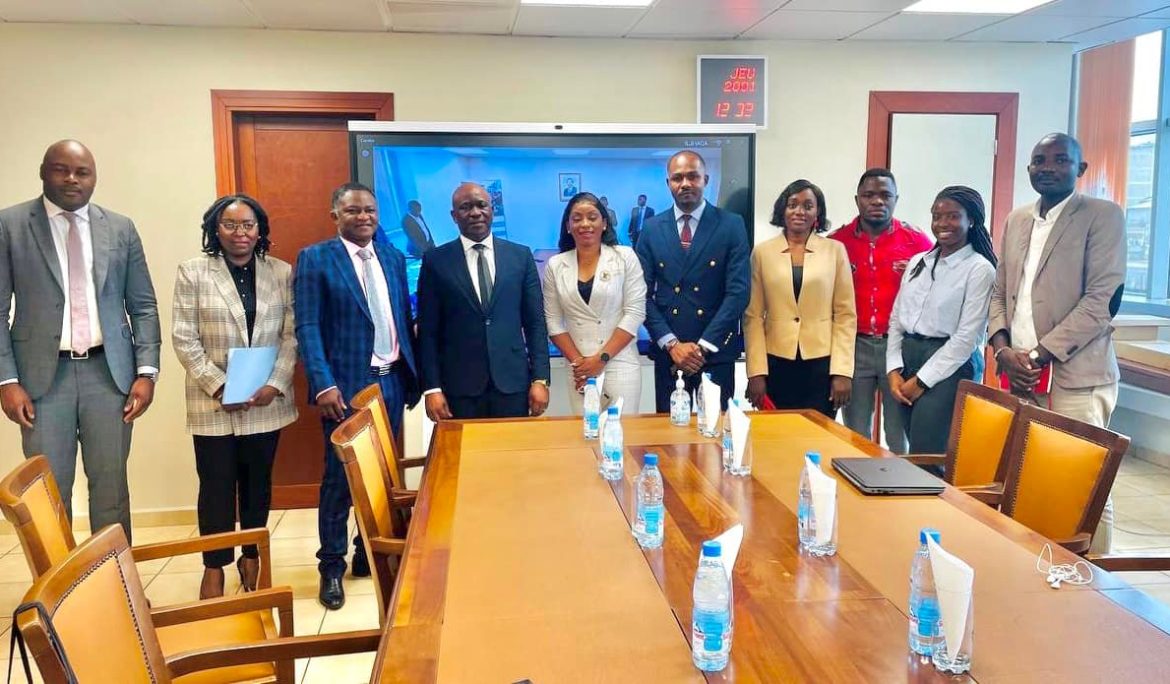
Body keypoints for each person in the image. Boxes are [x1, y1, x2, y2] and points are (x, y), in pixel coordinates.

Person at [0, 140, 160, 542]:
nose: (71, 178)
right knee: (49, 495)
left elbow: (143, 306)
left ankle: (116, 591)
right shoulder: (10, 225)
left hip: (109, 377)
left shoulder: (120, 228)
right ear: (43, 171)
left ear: (93, 177)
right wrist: (6, 380)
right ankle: (60, 597)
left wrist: (146, 372)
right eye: (61, 169)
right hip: (41, 383)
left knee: (111, 491)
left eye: (82, 172)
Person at [988, 132, 1126, 554]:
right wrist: (1001, 348)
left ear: (1080, 169)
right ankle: (1036, 561)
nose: (1047, 167)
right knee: (1028, 478)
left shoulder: (1102, 216)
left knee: (1084, 483)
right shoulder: (1017, 220)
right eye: (1038, 160)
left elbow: (1101, 302)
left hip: (1075, 375)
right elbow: (999, 293)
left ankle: (1097, 581)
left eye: (1060, 160)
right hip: (1022, 375)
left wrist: (1035, 354)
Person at [294, 182, 420, 610]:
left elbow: (401, 316)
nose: (363, 217)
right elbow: (307, 327)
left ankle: (370, 553)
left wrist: (413, 375)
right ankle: (331, 565)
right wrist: (323, 383)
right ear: (335, 215)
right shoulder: (315, 259)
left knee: (384, 474)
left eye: (369, 210)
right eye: (352, 211)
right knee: (340, 481)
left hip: (391, 381)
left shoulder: (392, 257)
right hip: (345, 387)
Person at [172, 194, 297, 599]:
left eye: (248, 225)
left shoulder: (281, 272)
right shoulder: (193, 272)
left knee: (257, 484)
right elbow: (183, 337)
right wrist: (220, 385)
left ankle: (252, 556)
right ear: (214, 229)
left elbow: (291, 336)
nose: (239, 233)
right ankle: (214, 565)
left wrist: (275, 383)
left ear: (260, 230)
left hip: (265, 400)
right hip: (213, 401)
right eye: (229, 225)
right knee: (216, 487)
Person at [418, 182, 550, 420]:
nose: (475, 212)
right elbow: (428, 332)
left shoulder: (520, 256)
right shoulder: (435, 261)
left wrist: (540, 379)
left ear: (492, 209)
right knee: (466, 456)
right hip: (459, 388)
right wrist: (432, 388)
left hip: (513, 385)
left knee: (512, 455)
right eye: (465, 207)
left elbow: (535, 323)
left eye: (481, 205)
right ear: (454, 215)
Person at [635, 151, 750, 412]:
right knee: (670, 439)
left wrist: (702, 348)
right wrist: (673, 344)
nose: (685, 183)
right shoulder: (652, 229)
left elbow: (738, 292)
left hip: (716, 350)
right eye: (677, 178)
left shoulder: (731, 225)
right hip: (670, 354)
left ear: (705, 179)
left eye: (692, 176)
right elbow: (640, 294)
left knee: (717, 437)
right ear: (668, 184)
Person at [886, 187, 997, 454]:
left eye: (952, 216)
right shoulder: (917, 262)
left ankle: (937, 498)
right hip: (908, 357)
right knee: (915, 449)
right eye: (937, 216)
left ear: (971, 220)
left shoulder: (979, 269)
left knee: (929, 455)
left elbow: (967, 339)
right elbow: (897, 319)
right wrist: (893, 370)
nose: (942, 224)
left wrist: (922, 380)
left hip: (949, 365)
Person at [831, 168, 932, 453]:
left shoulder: (917, 243)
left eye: (885, 195)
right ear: (857, 200)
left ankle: (898, 490)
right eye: (869, 195)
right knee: (855, 431)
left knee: (898, 432)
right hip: (854, 347)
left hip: (899, 348)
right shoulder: (837, 242)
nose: (877, 201)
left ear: (896, 199)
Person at [744, 180, 855, 417]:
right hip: (775, 362)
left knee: (819, 436)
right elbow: (752, 316)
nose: (799, 212)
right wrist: (755, 372)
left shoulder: (835, 250)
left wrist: (842, 371)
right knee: (777, 436)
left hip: (821, 364)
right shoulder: (763, 252)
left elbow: (845, 315)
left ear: (818, 212)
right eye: (792, 204)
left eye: (808, 206)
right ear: (782, 210)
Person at [543, 192, 646, 414]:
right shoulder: (556, 265)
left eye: (592, 217)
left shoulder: (624, 256)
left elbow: (635, 313)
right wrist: (581, 365)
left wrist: (600, 359)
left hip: (619, 363)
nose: (585, 224)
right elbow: (552, 321)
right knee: (586, 440)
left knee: (621, 439)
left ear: (604, 223)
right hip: (578, 368)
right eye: (577, 218)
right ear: (568, 226)